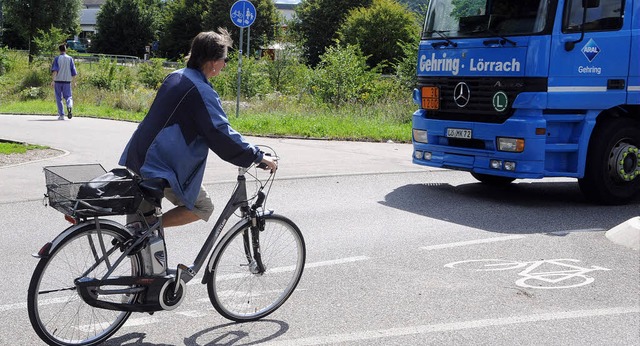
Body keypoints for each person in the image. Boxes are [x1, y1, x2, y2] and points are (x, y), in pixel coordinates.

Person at [119, 29, 277, 228]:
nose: (225, 65)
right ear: (213, 62)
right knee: (202, 207)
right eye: (225, 60)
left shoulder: (176, 76)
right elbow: (220, 134)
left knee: (137, 239)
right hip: (159, 166)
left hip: (139, 155)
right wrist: (257, 156)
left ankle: (142, 232)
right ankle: (149, 227)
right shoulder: (200, 91)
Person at [51, 44, 77, 120]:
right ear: (66, 50)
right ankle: (69, 105)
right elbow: (73, 71)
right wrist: (74, 81)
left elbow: (55, 70)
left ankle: (61, 115)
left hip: (58, 81)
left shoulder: (57, 58)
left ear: (59, 50)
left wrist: (53, 80)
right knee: (68, 96)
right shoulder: (70, 59)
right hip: (67, 81)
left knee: (59, 98)